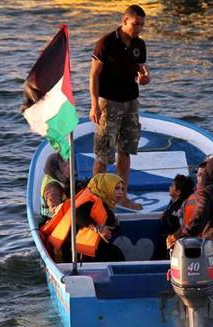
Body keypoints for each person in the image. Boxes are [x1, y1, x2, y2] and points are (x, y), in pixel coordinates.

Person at [89, 4, 150, 210]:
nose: (138, 28)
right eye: (135, 24)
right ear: (124, 20)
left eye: (141, 25)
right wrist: (94, 105)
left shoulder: (139, 44)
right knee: (104, 153)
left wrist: (145, 76)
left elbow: (141, 68)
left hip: (131, 102)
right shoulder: (105, 43)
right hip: (109, 102)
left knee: (125, 151)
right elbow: (94, 75)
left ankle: (122, 197)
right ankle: (96, 197)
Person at [41, 173, 125, 262]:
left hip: (80, 248)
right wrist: (99, 228)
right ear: (106, 187)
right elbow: (77, 214)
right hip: (74, 252)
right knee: (116, 255)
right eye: (116, 188)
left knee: (116, 254)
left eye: (122, 189)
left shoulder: (100, 199)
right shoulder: (91, 201)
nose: (120, 192)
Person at [156, 174, 194, 259]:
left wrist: (174, 238)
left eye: (172, 185)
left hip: (174, 245)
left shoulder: (182, 207)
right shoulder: (172, 203)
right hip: (164, 242)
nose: (169, 187)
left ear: (178, 192)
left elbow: (184, 226)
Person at [40, 153, 70, 225]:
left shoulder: (60, 179)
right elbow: (55, 211)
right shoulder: (52, 189)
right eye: (64, 165)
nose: (69, 167)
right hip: (54, 223)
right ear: (56, 168)